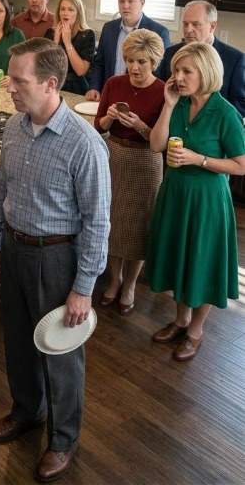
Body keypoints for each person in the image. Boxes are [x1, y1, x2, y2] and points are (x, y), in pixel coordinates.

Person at [0, 38, 110, 482]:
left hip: (57, 258)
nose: (10, 87)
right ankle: (26, 411)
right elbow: (1, 190)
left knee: (61, 354)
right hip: (15, 249)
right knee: (18, 342)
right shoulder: (13, 127)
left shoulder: (84, 143)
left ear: (51, 84)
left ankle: (63, 439)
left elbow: (98, 222)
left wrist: (84, 288)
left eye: (20, 81)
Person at [146, 42, 245, 362]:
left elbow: (241, 165)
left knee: (202, 263)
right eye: (176, 70)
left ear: (207, 72)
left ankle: (195, 331)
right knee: (179, 257)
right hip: (175, 193)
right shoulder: (177, 103)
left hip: (207, 201)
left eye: (187, 71)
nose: (178, 77)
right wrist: (168, 105)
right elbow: (156, 145)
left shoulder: (226, 113)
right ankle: (180, 320)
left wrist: (198, 159)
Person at [94, 29, 165, 315]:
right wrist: (109, 118)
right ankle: (115, 280)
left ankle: (131, 284)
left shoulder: (163, 92)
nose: (134, 67)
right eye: (130, 60)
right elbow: (98, 126)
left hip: (146, 162)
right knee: (112, 221)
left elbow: (160, 140)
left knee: (138, 226)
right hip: (114, 157)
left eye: (142, 62)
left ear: (154, 62)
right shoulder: (114, 83)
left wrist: (139, 126)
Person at [157, 0, 245, 118]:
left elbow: (241, 104)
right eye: (185, 24)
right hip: (174, 123)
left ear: (212, 26)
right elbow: (160, 90)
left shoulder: (234, 59)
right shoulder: (171, 53)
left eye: (196, 24)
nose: (188, 30)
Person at [86, 0, 171, 101]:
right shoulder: (109, 28)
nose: (125, 6)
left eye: (131, 1)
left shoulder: (159, 32)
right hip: (109, 95)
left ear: (142, 2)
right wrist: (94, 87)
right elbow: (99, 63)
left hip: (140, 98)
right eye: (122, 1)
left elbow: (159, 73)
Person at [44, 0, 95, 94]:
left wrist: (67, 43)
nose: (65, 13)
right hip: (53, 85)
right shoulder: (50, 32)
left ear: (78, 13)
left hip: (77, 88)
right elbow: (46, 67)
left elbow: (81, 71)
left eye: (71, 10)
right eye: (62, 9)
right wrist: (56, 42)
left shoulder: (87, 34)